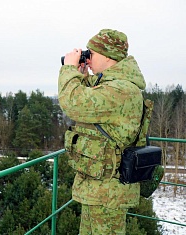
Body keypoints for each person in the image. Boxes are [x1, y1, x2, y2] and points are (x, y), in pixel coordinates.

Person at [58, 29, 146, 234]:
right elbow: (91, 94)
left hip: (109, 193)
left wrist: (68, 70)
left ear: (107, 56)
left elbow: (74, 103)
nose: (88, 59)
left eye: (92, 54)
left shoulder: (121, 90)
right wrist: (80, 75)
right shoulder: (113, 86)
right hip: (98, 187)